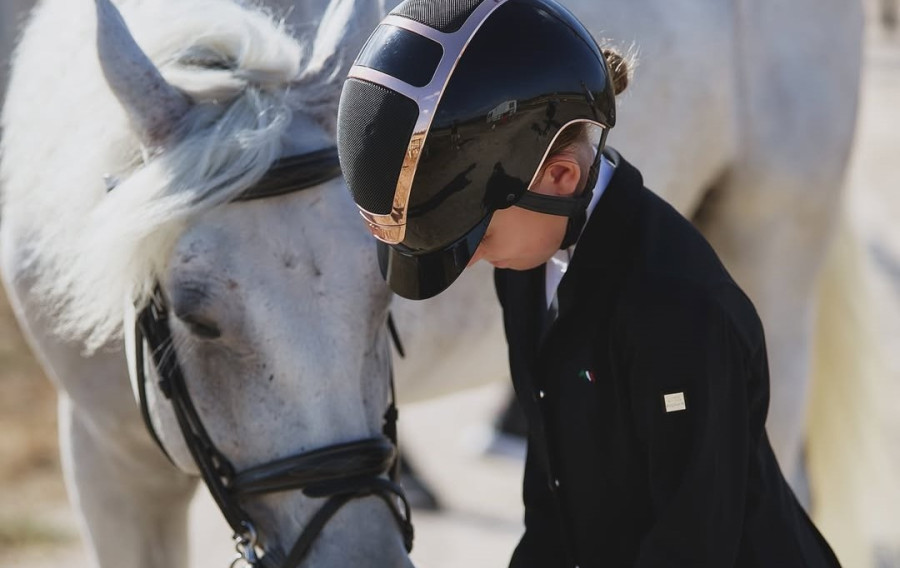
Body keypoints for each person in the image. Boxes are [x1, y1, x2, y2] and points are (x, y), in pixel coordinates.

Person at [336, 0, 841, 566]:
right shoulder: (527, 264)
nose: (473, 259)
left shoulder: (680, 313)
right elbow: (553, 495)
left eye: (476, 235)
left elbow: (692, 540)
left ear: (559, 178)